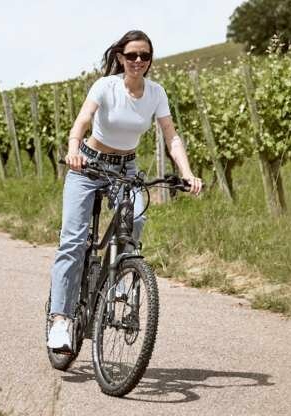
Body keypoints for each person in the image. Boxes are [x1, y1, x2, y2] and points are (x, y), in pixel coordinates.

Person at [46, 30, 203, 351]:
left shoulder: (156, 93)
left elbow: (171, 137)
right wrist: (74, 149)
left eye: (144, 56)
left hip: (125, 168)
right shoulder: (106, 86)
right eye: (131, 55)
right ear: (120, 57)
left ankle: (117, 276)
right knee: (73, 242)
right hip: (87, 165)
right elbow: (82, 122)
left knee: (137, 217)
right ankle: (60, 321)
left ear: (150, 60)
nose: (138, 61)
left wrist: (186, 173)